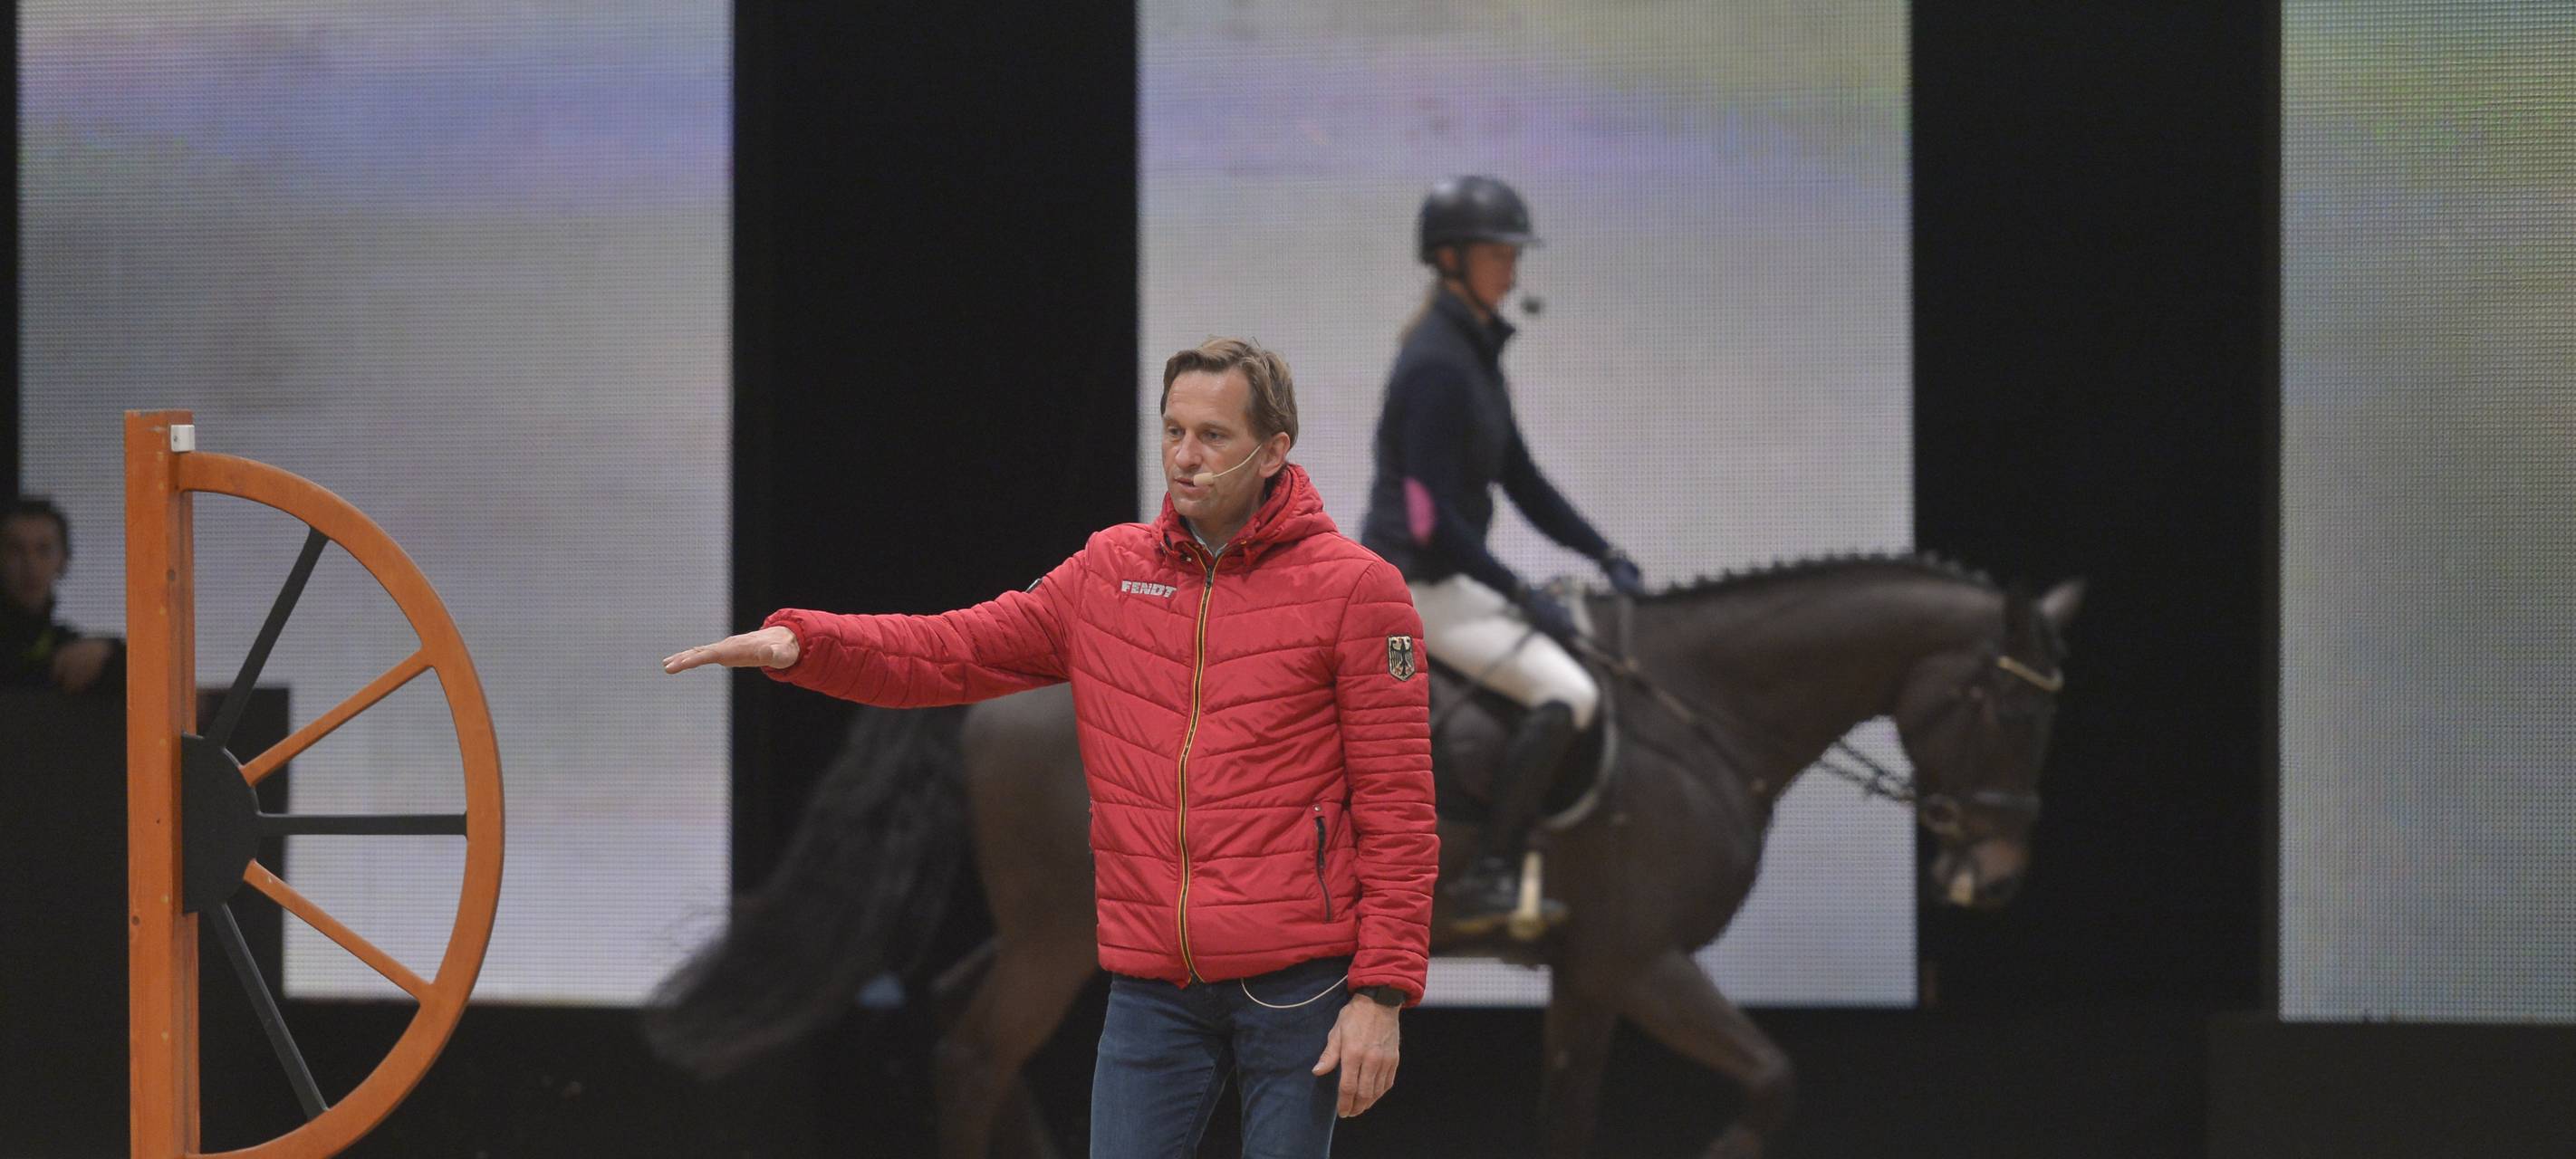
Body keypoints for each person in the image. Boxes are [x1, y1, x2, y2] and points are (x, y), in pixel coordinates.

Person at [664, 339, 1437, 1157]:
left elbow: (1398, 805)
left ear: (1275, 449)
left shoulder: (1358, 590)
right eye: (1172, 430)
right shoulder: (1107, 571)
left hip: (1292, 986)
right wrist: (805, 644)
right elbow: (954, 648)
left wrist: (1381, 995)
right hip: (1153, 990)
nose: (1184, 456)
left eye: (1212, 435)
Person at [1358, 176, 1648, 937]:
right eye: (1497, 255)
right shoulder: (1436, 364)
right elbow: (1426, 517)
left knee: (1576, 651)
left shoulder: (1475, 354)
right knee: (1569, 695)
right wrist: (1519, 590)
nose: (1511, 271)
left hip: (1447, 574)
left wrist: (1603, 550)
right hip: (1409, 583)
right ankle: (1490, 871)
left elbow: (1521, 477)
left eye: (1513, 255)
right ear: (1449, 260)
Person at [4, 496, 122, 694]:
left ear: (63, 560)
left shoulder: (70, 648)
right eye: (16, 550)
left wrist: (109, 652)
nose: (30, 565)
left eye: (43, 550)